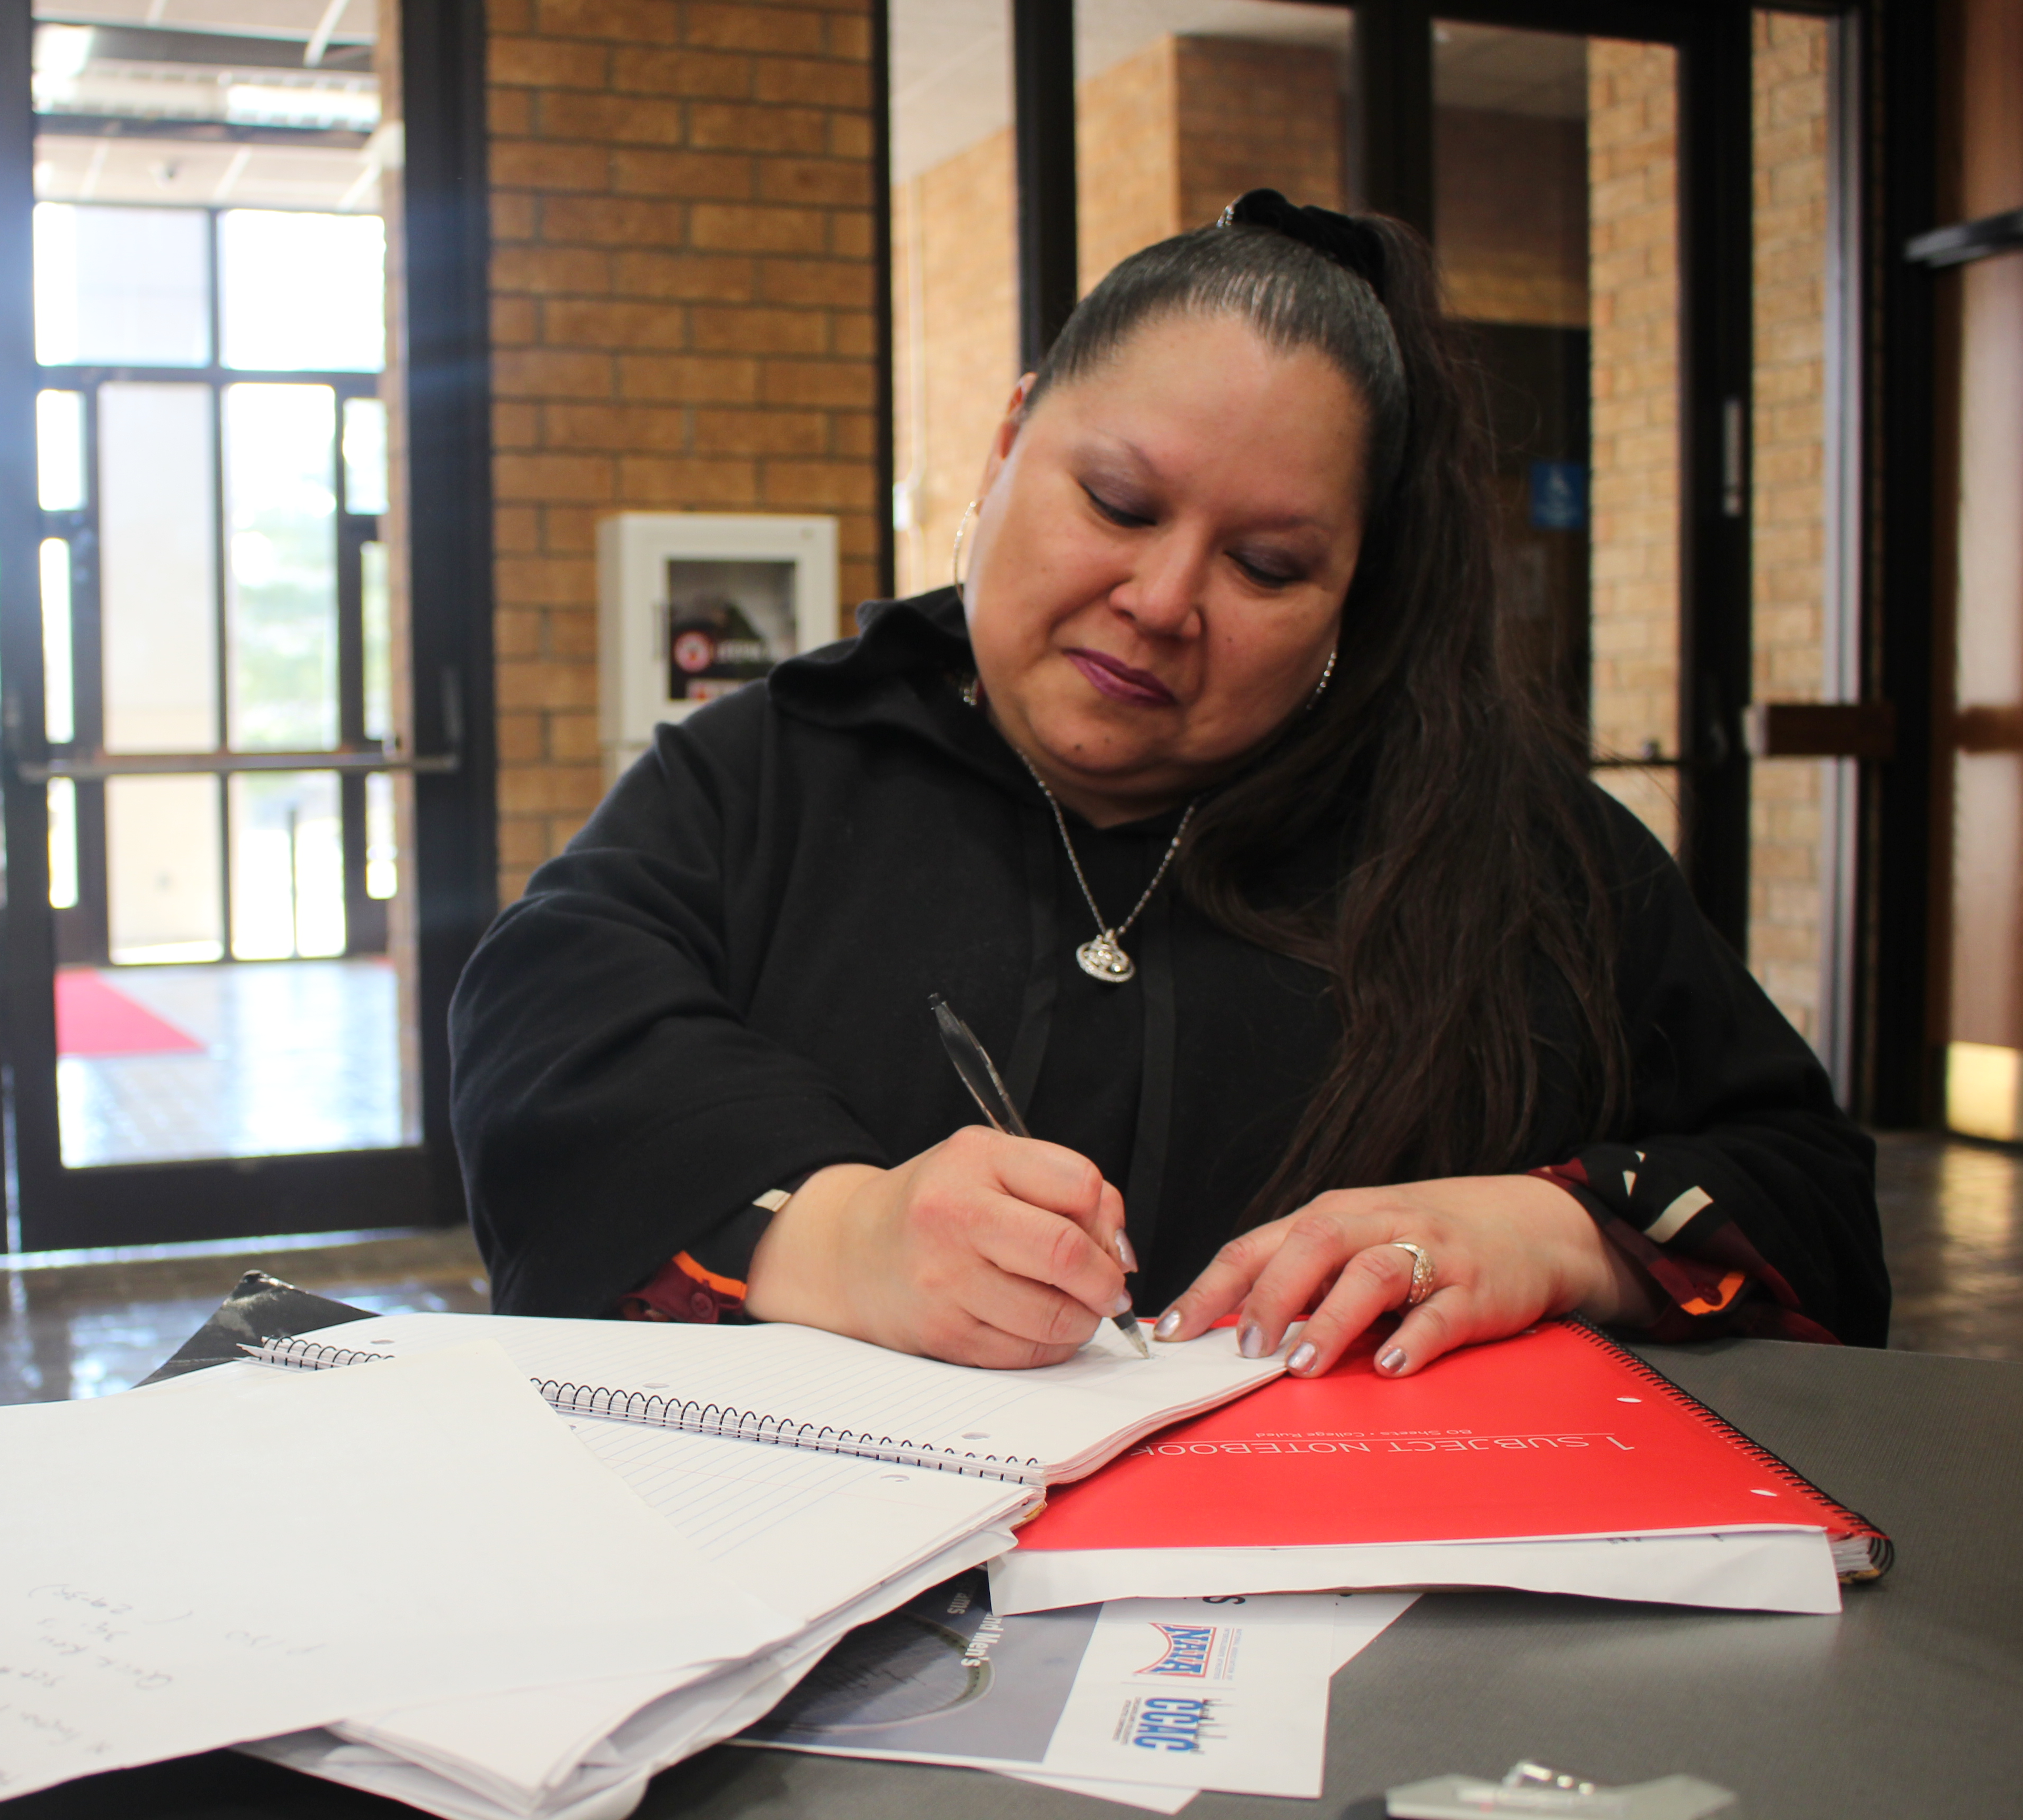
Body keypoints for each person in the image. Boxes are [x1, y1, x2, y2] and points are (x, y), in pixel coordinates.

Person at [450, 192, 1886, 1378]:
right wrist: (841, 1234)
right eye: (1119, 505)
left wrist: (1552, 1234)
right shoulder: (774, 765)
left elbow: (1810, 1194)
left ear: (1350, 598)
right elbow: (548, 1025)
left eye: (1269, 567)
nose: (1162, 600)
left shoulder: (1512, 845)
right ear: (1013, 436)